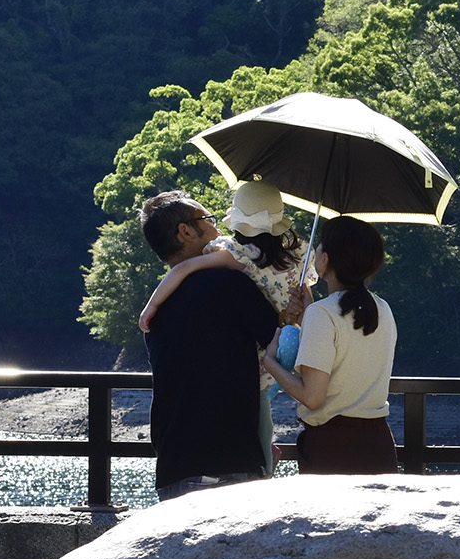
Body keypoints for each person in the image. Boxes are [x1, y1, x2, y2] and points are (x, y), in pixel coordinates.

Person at [138, 181, 316, 473]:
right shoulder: (229, 283)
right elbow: (275, 334)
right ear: (185, 231)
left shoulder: (161, 311)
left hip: (173, 461)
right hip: (229, 460)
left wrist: (151, 306)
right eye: (208, 220)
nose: (218, 229)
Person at [261, 215, 399, 474]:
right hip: (379, 444)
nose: (317, 250)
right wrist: (308, 313)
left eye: (321, 245)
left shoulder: (323, 314)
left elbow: (313, 397)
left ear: (326, 260)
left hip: (333, 448)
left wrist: (270, 363)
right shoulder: (383, 308)